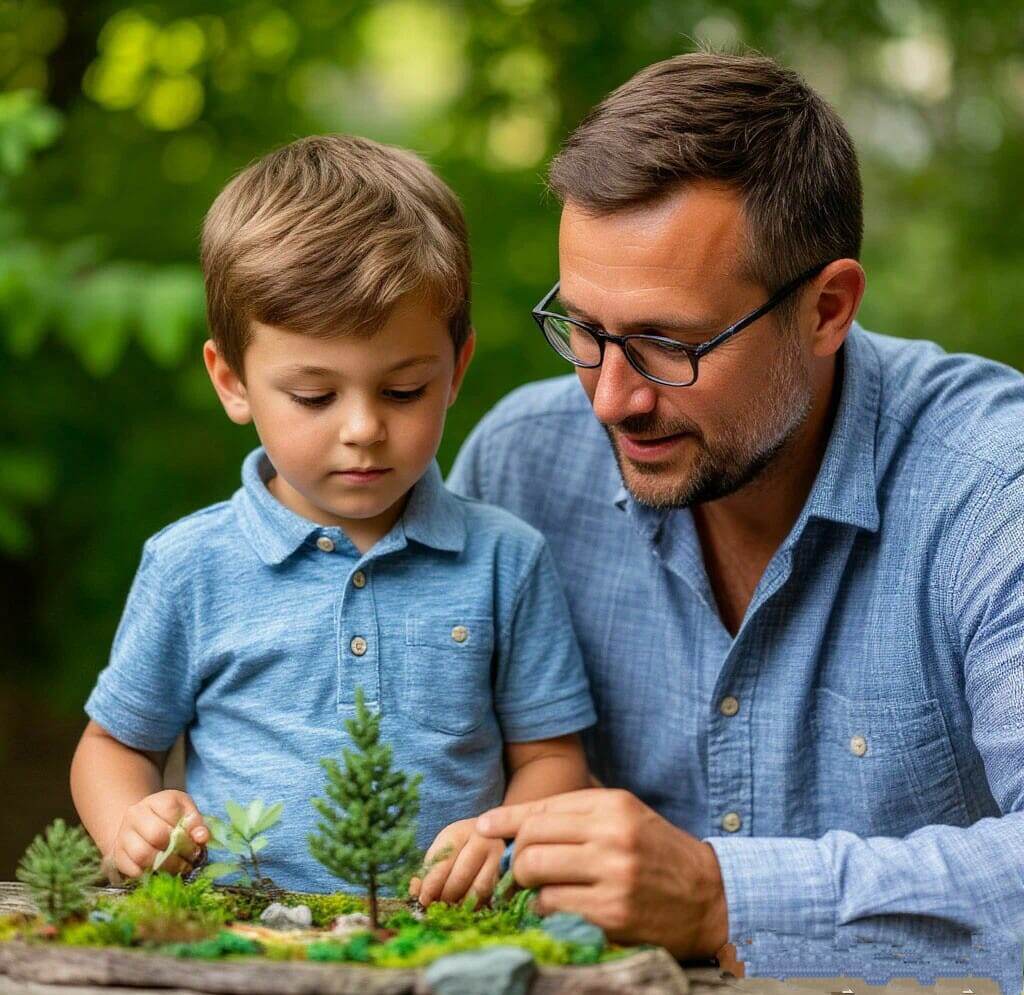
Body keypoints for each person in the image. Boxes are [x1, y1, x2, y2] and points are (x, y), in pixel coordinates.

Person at [448, 52, 1024, 987]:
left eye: (666, 345)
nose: (610, 402)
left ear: (827, 308)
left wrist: (720, 895)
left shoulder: (994, 488)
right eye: (584, 332)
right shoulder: (521, 469)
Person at [70, 134, 596, 899]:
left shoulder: (505, 560)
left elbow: (551, 758)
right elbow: (112, 744)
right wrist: (130, 822)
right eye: (314, 396)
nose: (362, 429)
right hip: (241, 934)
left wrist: (502, 837)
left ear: (457, 371)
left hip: (437, 941)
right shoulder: (192, 563)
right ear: (233, 380)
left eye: (404, 390)